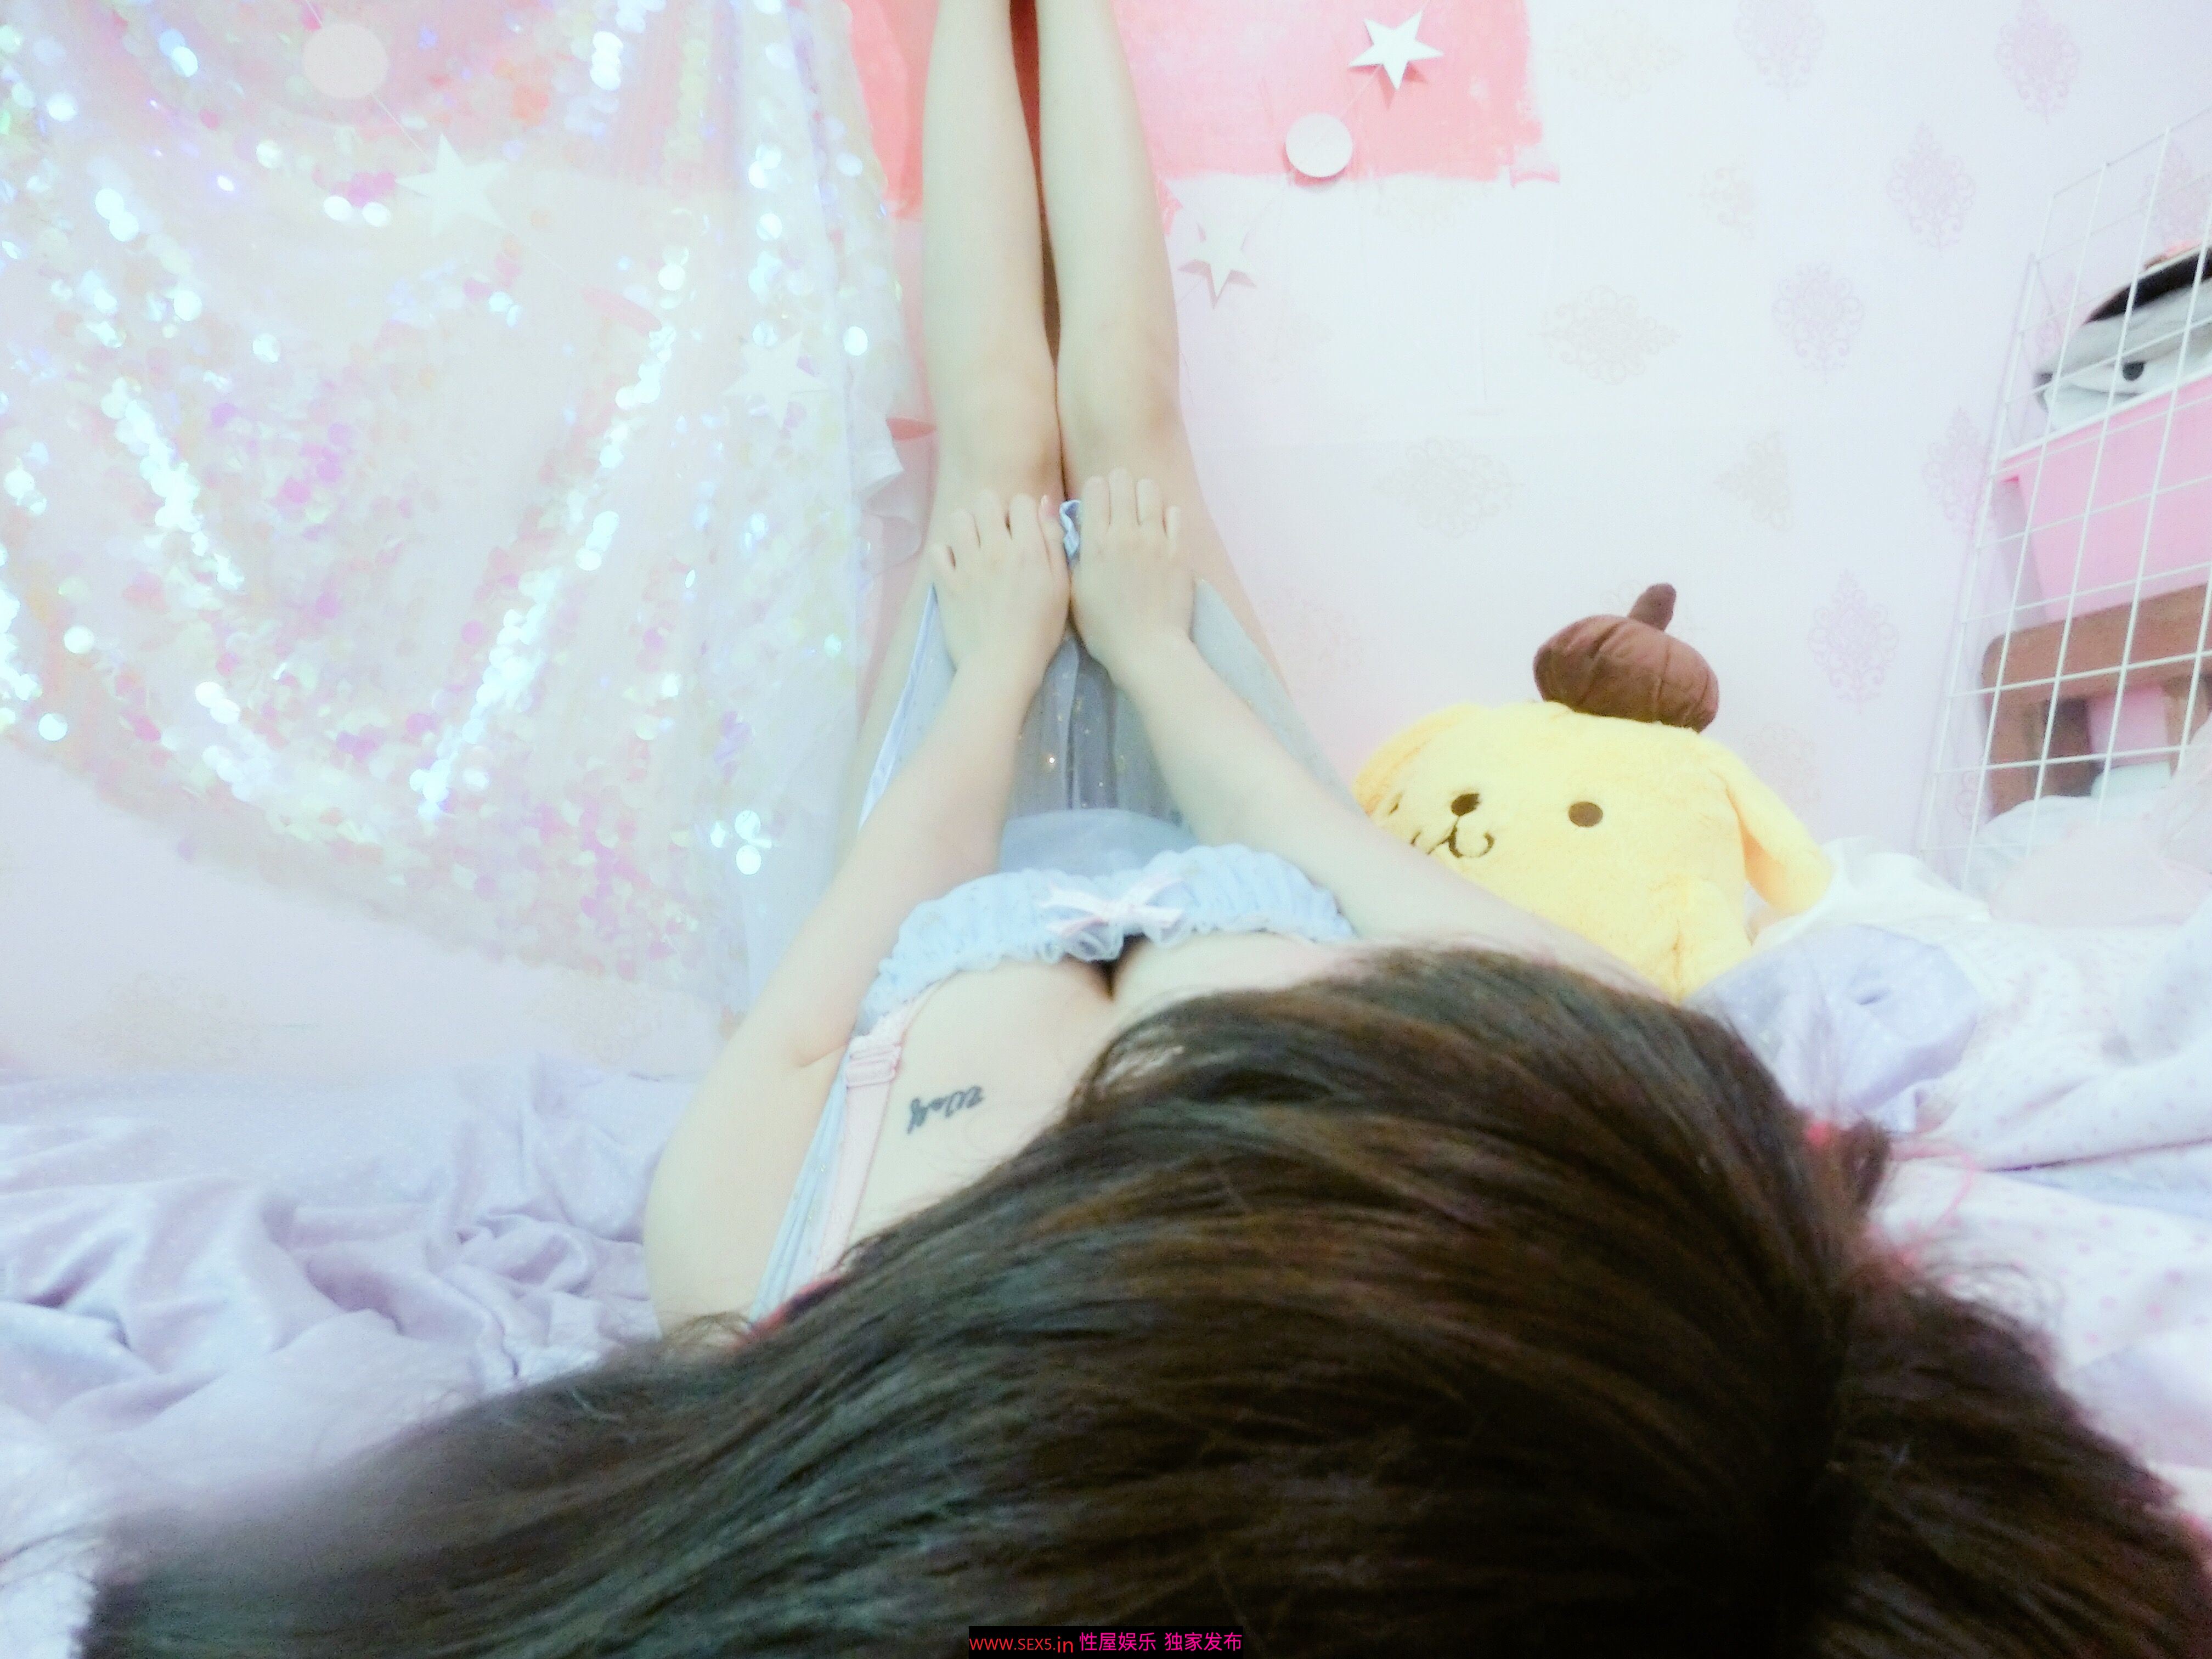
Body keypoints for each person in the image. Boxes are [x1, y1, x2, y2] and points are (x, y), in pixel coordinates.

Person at [70, 2, 2212, 1654]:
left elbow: (824, 980)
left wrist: (1002, 670)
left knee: (1006, 444)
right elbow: (1466, 944)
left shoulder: (765, 1290)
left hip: (964, 879)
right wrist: (1163, 667)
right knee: (1126, 441)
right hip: (1249, 842)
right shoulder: (1630, 1197)